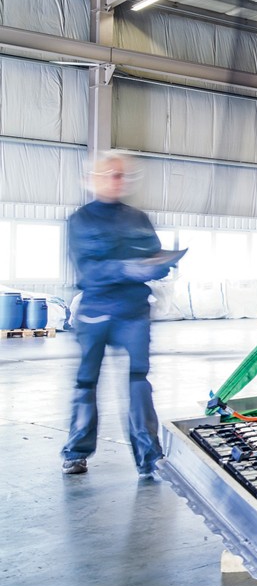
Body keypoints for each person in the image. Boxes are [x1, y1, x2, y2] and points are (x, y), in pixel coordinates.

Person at [61, 152, 183, 479]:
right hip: (96, 312)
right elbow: (88, 270)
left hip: (133, 312)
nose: (118, 180)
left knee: (138, 382)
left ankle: (149, 457)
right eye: (110, 174)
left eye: (122, 175)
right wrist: (127, 268)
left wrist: (163, 262)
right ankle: (76, 452)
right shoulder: (80, 220)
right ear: (94, 179)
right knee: (86, 382)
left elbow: (152, 254)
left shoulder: (139, 219)